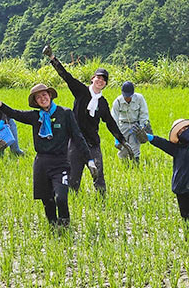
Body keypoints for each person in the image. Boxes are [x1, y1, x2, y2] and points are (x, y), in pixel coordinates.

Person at [0, 84, 97, 228]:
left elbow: (78, 137)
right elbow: (13, 113)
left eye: (44, 95)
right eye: (38, 97)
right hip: (41, 163)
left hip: (60, 162)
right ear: (36, 102)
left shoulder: (65, 113)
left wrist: (90, 161)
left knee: (61, 198)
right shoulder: (35, 116)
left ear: (50, 96)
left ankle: (65, 225)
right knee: (47, 200)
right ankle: (54, 228)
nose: (42, 99)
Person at [42, 44, 131, 194]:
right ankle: (72, 205)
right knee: (73, 179)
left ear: (105, 84)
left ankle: (103, 203)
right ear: (92, 79)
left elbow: (110, 122)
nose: (100, 81)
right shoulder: (81, 91)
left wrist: (123, 141)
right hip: (76, 142)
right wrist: (52, 58)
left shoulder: (102, 103)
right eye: (98, 77)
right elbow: (66, 76)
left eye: (104, 80)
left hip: (92, 143)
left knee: (99, 177)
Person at [111, 81, 151, 164]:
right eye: (125, 96)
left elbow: (144, 113)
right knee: (124, 148)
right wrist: (116, 135)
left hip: (135, 125)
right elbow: (114, 119)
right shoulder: (117, 102)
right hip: (123, 125)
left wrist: (142, 127)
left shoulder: (139, 98)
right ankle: (124, 165)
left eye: (129, 96)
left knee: (135, 146)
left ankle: (135, 164)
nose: (127, 98)